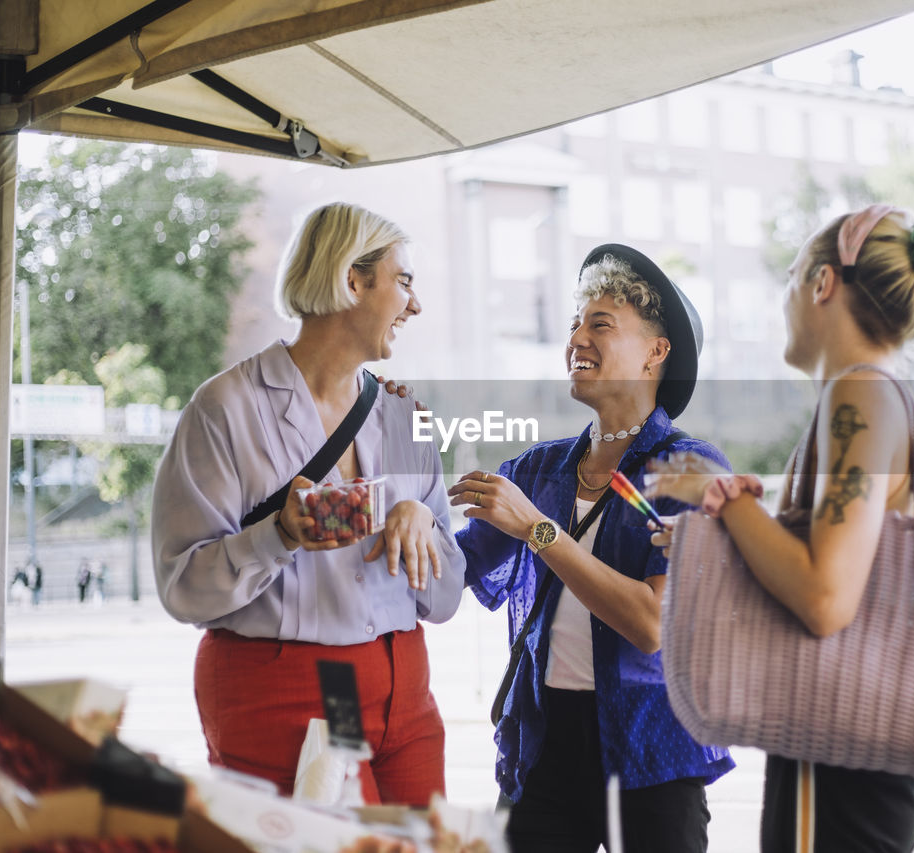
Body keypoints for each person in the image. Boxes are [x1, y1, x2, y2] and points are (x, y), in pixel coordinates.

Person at [648, 204, 914, 852]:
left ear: (823, 283)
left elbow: (826, 597)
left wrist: (720, 500)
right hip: (875, 748)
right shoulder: (899, 403)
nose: (786, 300)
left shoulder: (860, 396)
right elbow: (853, 567)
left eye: (793, 276)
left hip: (843, 757)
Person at [152, 202, 466, 807]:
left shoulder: (404, 417)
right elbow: (182, 587)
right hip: (305, 688)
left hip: (405, 690)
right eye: (404, 282)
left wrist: (423, 520)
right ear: (353, 280)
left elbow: (445, 597)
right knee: (352, 842)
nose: (416, 305)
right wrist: (279, 535)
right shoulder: (226, 410)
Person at [450, 245, 734, 853]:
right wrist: (399, 508)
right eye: (575, 324)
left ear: (657, 352)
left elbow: (650, 622)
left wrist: (539, 532)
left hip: (654, 751)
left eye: (600, 324)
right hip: (545, 744)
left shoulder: (690, 469)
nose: (577, 338)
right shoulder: (539, 469)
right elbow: (447, 572)